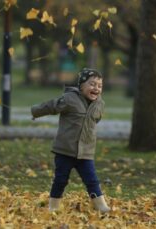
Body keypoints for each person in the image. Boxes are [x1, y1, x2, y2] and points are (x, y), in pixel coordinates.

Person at [31, 68, 110, 213]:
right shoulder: (69, 99)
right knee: (60, 180)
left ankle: (101, 205)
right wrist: (36, 111)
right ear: (81, 86)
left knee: (92, 181)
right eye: (92, 84)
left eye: (99, 86)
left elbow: (95, 121)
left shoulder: (100, 105)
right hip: (65, 151)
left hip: (85, 153)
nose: (96, 88)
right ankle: (53, 206)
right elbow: (52, 106)